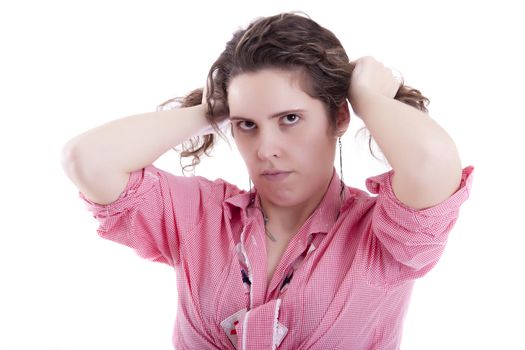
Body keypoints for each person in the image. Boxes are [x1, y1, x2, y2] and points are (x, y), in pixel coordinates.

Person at [61, 12, 474, 350]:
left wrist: (365, 95)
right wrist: (211, 110)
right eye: (247, 125)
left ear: (338, 118)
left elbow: (431, 162)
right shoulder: (203, 217)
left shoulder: (381, 238)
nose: (265, 148)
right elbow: (88, 160)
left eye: (289, 119)